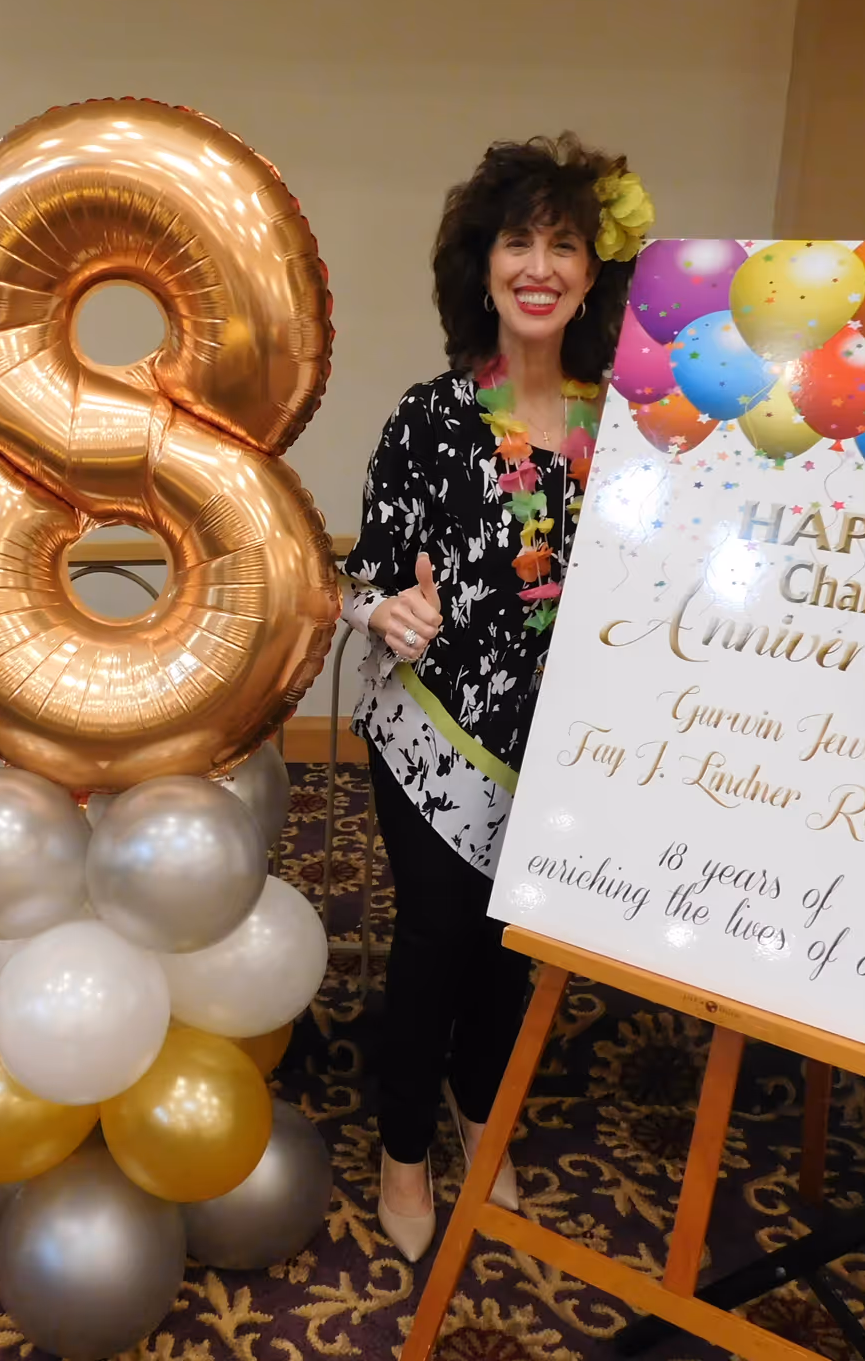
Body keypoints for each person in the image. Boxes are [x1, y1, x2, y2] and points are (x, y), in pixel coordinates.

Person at [341, 134, 652, 1261]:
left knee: (513, 947)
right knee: (434, 940)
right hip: (434, 731)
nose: (539, 263)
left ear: (592, 274)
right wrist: (384, 612)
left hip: (566, 742)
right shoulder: (427, 417)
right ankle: (406, 1149)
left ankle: (485, 1115)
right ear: (482, 267)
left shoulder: (628, 429)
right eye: (518, 239)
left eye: (563, 243)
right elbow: (368, 571)